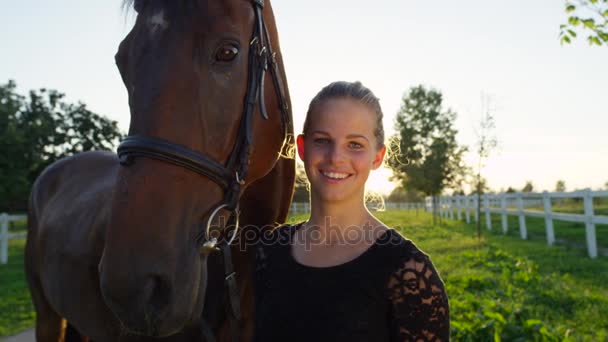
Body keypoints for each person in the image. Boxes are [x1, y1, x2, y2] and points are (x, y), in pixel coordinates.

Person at [254, 81, 450, 341]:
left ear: (377, 157)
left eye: (355, 144)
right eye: (322, 140)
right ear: (302, 148)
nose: (336, 157)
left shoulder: (409, 274)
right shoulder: (267, 251)